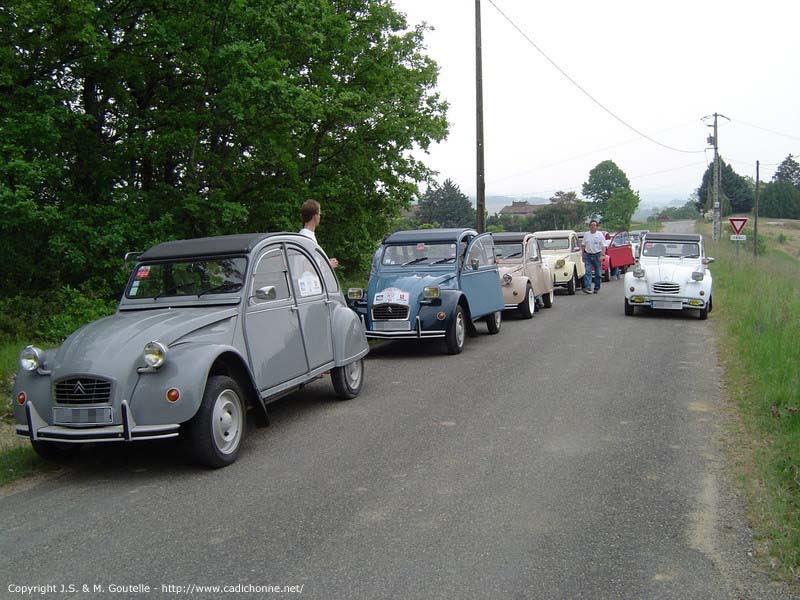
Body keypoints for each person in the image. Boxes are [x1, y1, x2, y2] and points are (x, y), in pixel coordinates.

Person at [299, 199, 338, 268]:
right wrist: (328, 265)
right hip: (307, 278)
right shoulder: (306, 237)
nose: (320, 216)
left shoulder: (305, 235)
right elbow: (306, 266)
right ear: (315, 217)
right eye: (319, 214)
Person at [581, 219, 606, 294]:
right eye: (591, 225)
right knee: (588, 272)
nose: (593, 227)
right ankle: (588, 287)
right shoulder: (586, 234)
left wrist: (602, 255)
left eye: (594, 225)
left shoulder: (600, 235)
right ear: (589, 226)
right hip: (588, 255)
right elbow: (583, 245)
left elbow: (603, 246)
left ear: (597, 227)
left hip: (597, 255)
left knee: (598, 273)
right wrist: (582, 255)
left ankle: (596, 288)